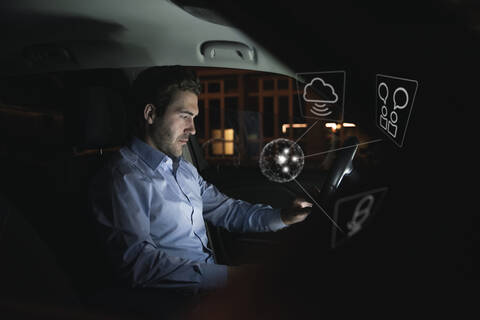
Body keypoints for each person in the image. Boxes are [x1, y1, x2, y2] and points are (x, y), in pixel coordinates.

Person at [88, 65, 312, 295]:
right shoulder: (123, 177)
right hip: (173, 302)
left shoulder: (185, 170)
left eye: (194, 118)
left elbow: (228, 211)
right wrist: (235, 278)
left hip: (207, 288)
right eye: (185, 116)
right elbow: (140, 266)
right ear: (151, 114)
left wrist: (284, 216)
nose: (193, 129)